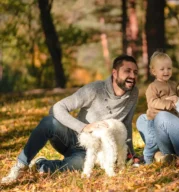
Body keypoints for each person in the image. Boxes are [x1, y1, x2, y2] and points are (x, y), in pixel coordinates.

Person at [1, 55, 139, 184]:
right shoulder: (95, 89)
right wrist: (84, 127)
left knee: (75, 166)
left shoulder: (133, 93)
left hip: (92, 151)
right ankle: (20, 165)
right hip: (72, 137)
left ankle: (41, 164)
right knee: (49, 122)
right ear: (114, 73)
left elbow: (125, 125)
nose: (132, 76)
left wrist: (130, 155)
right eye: (127, 71)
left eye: (135, 72)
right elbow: (56, 108)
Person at [139, 51, 177, 164]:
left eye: (169, 68)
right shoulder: (153, 87)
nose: (166, 71)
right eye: (162, 69)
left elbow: (177, 99)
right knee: (152, 141)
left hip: (169, 121)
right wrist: (167, 104)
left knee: (166, 140)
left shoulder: (173, 85)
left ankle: (166, 155)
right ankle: (147, 160)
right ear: (153, 71)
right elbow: (152, 102)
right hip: (154, 120)